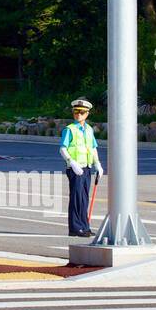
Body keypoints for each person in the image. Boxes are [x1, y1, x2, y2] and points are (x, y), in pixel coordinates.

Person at [59, 98, 103, 237]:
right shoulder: (69, 129)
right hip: (75, 168)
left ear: (87, 114)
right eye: (76, 112)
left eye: (81, 112)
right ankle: (75, 228)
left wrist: (98, 164)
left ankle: (84, 226)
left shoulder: (89, 130)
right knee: (76, 198)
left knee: (84, 198)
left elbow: (93, 148)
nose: (78, 115)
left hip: (87, 167)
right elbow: (62, 149)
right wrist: (71, 162)